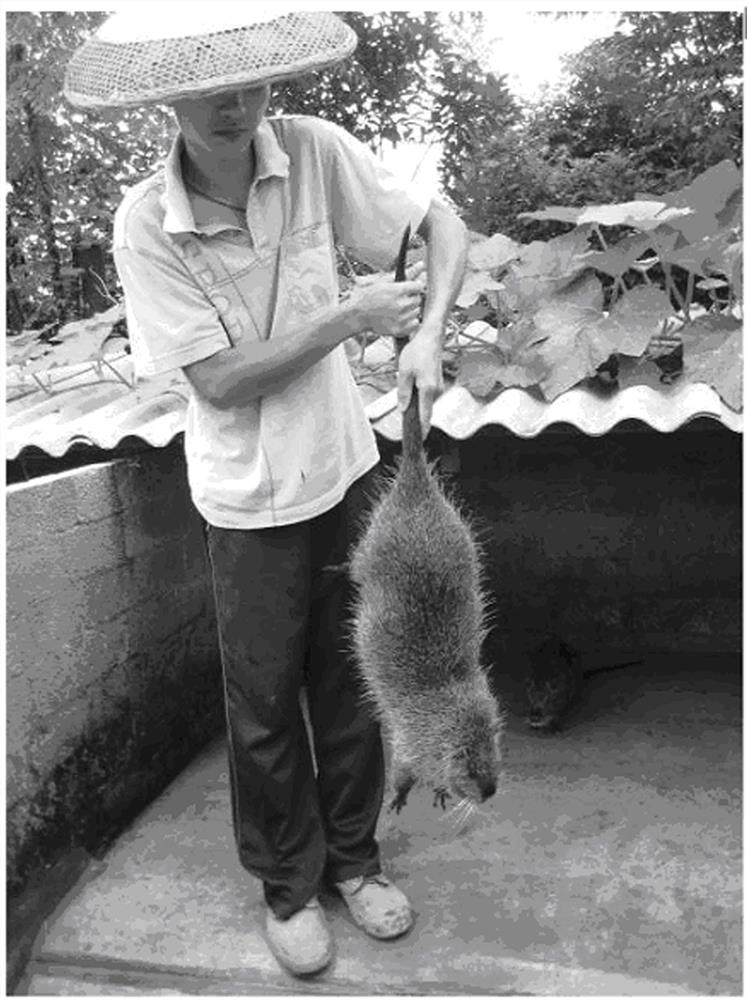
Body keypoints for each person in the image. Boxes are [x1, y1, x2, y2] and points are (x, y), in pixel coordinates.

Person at [65, 10, 469, 977]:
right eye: (211, 90)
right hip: (245, 505)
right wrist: (352, 316)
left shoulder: (318, 152)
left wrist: (427, 333)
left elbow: (436, 222)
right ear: (163, 94)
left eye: (251, 84)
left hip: (344, 469)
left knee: (353, 688)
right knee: (262, 709)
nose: (236, 105)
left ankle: (356, 865)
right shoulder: (143, 225)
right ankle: (288, 889)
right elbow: (220, 382)